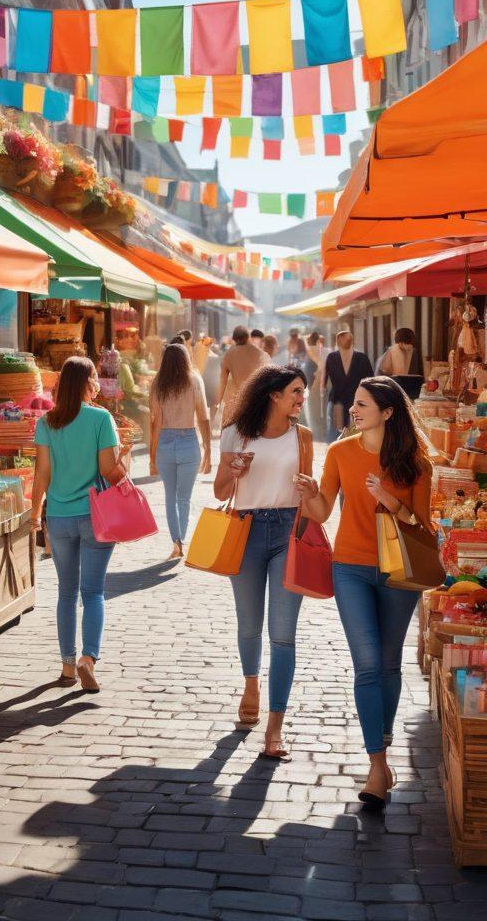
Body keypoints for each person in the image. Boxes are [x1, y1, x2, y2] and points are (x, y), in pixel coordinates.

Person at [296, 377, 432, 807]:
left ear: (387, 412)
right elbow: (322, 511)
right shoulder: (340, 452)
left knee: (389, 665)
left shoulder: (416, 462)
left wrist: (388, 499)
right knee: (369, 664)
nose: (353, 410)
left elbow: (423, 526)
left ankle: (382, 750)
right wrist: (309, 495)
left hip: (399, 572)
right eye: (354, 403)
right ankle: (377, 764)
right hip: (350, 568)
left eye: (362, 404)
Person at [214, 366, 313, 760]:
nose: (302, 398)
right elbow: (220, 490)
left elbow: (309, 495)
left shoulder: (303, 437)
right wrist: (234, 471)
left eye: (303, 391)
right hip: (247, 529)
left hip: (289, 533)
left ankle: (275, 727)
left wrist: (311, 491)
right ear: (273, 394)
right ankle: (251, 683)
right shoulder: (236, 433)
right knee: (249, 623)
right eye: (296, 391)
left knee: (283, 633)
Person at [32, 357, 125, 693]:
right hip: (95, 516)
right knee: (94, 592)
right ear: (86, 383)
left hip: (58, 517)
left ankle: (67, 666)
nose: (98, 383)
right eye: (95, 377)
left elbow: (42, 473)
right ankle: (89, 658)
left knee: (66, 593)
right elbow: (108, 470)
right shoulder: (101, 418)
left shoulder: (47, 422)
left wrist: (34, 514)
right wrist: (123, 459)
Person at [149, 342, 212, 559]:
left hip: (165, 442)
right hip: (189, 442)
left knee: (170, 496)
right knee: (184, 498)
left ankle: (176, 542)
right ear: (186, 359)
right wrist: (208, 449)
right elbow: (203, 417)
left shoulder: (157, 383)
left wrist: (152, 456)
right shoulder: (194, 380)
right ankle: (181, 540)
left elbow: (155, 422)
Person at [323, 330, 374, 440]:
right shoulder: (332, 357)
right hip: (339, 400)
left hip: (356, 400)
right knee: (337, 432)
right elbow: (325, 377)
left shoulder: (361, 358)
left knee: (356, 432)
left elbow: (370, 381)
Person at [214, 325, 266, 427]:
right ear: (248, 338)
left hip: (234, 403)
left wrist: (218, 402)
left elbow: (223, 380)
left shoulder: (230, 354)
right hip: (251, 402)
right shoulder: (258, 354)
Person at [304, 331, 326, 441]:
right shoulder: (318, 350)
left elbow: (320, 368)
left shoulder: (313, 351)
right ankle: (317, 435)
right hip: (313, 386)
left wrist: (314, 385)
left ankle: (317, 436)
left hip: (313, 386)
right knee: (316, 413)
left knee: (314, 413)